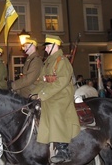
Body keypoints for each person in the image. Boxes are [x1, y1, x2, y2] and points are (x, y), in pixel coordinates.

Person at [31, 34, 80, 163]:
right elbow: (40, 82)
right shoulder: (47, 62)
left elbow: (62, 82)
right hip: (50, 92)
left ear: (55, 45)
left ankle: (63, 149)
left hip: (61, 94)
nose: (45, 49)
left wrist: (43, 95)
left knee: (54, 110)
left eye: (47, 46)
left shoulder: (62, 61)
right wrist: (32, 94)